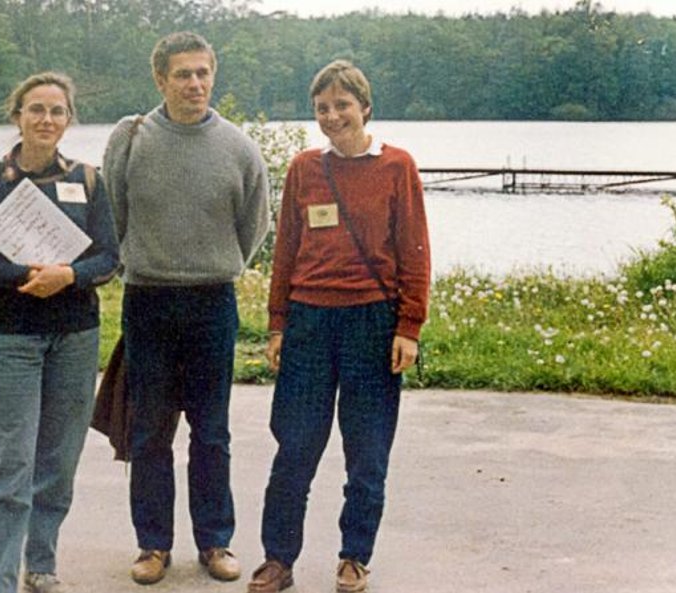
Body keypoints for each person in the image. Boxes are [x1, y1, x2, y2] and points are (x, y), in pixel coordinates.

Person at [247, 60, 431, 593]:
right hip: (308, 320)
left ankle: (354, 556)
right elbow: (285, 253)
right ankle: (278, 559)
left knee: (367, 450)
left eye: (342, 105)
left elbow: (415, 252)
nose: (332, 116)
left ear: (364, 107)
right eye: (323, 108)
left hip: (372, 322)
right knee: (295, 448)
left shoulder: (397, 167)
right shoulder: (305, 168)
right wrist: (277, 324)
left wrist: (409, 327)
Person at [102, 31, 270, 586]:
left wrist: (214, 264)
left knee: (212, 431)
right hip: (147, 298)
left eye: (202, 73)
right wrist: (145, 262)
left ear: (213, 76)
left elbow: (253, 228)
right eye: (182, 74)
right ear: (160, 79)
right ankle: (153, 545)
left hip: (212, 302)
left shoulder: (240, 148)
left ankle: (215, 540)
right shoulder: (131, 139)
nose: (194, 84)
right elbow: (114, 218)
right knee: (150, 431)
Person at [0, 71, 119, 593]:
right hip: (5, 339)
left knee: (59, 462)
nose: (46, 119)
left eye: (57, 111)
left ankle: (41, 564)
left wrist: (68, 275)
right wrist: (24, 276)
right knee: (10, 466)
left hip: (74, 336)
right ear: (17, 115)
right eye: (36, 109)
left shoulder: (89, 180)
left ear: (69, 120)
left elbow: (110, 258)